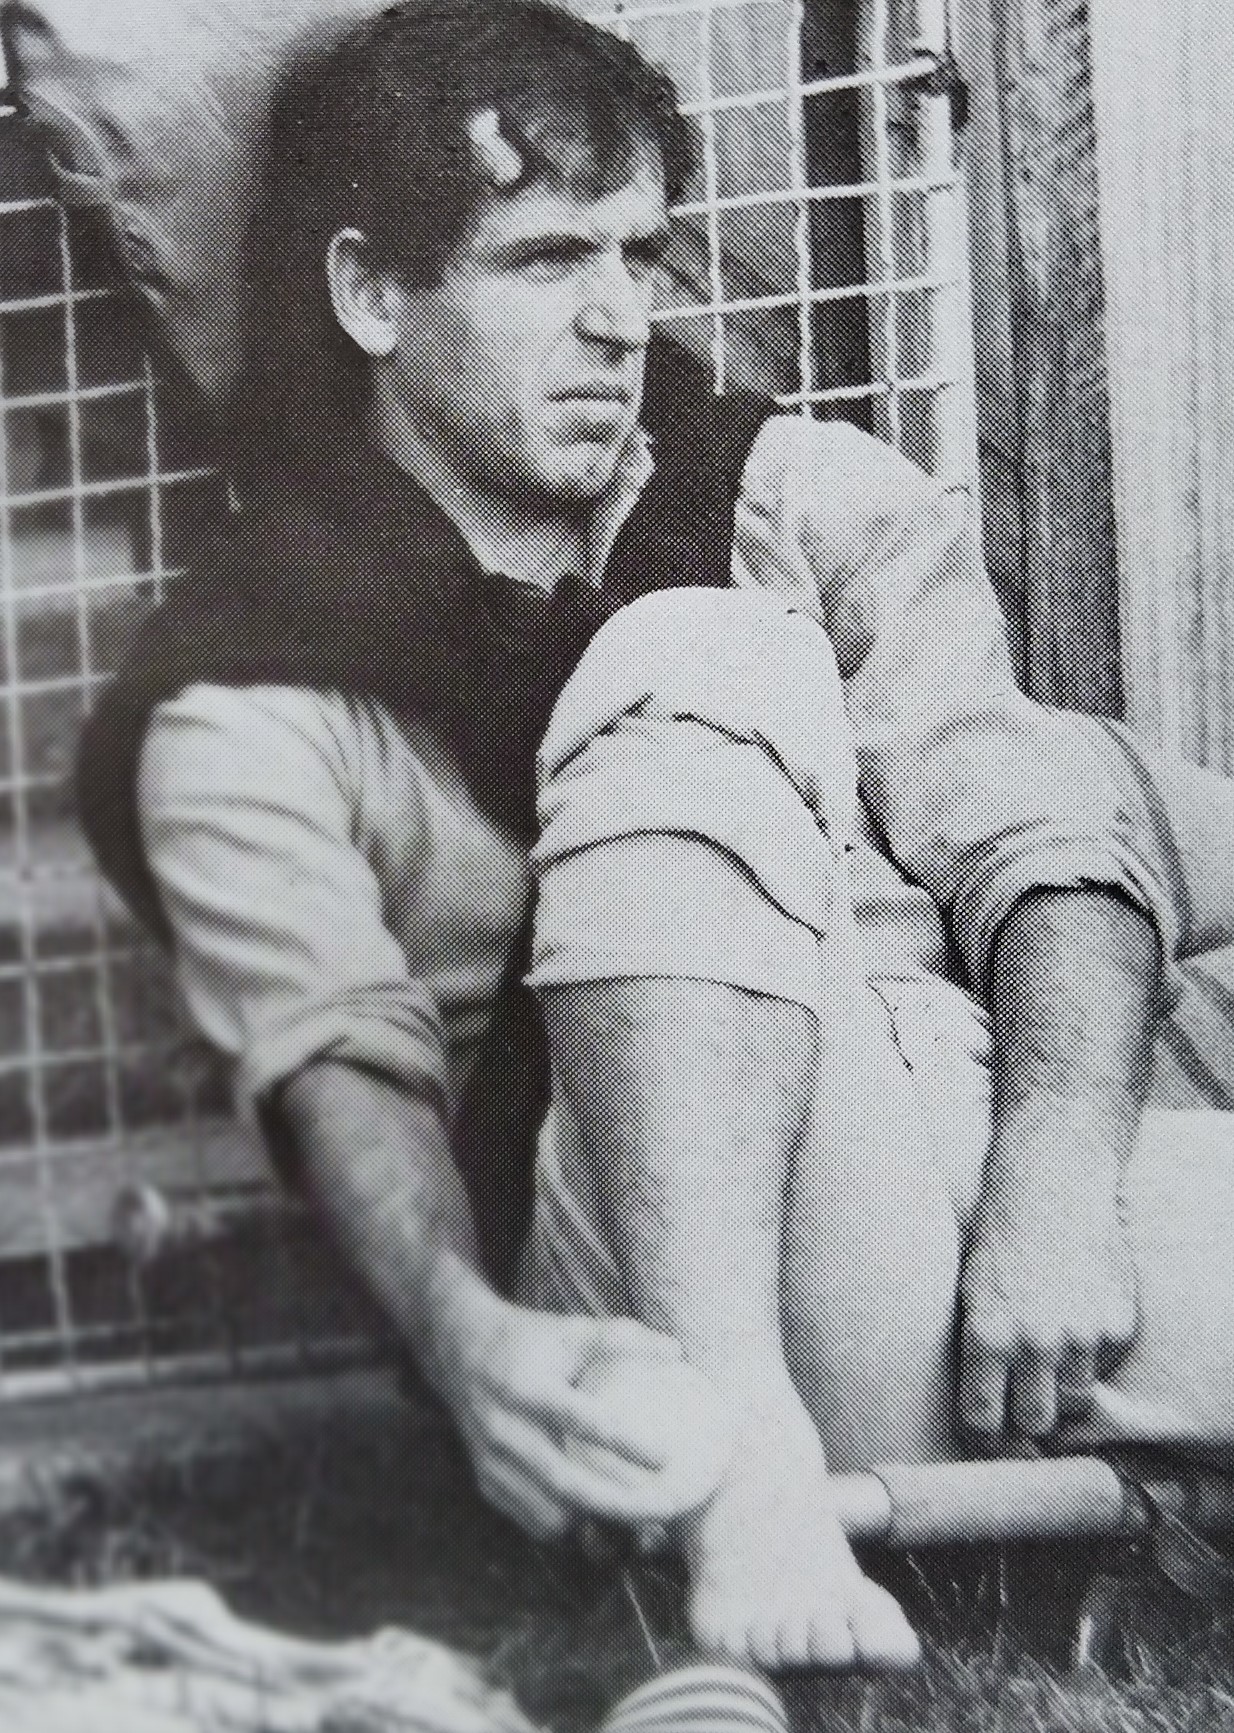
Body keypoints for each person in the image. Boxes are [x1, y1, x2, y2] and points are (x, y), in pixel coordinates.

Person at [77, 0, 1234, 1678]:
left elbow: (1039, 830)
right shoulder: (246, 688)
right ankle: (753, 1456)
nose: (619, 317)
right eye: (547, 258)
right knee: (694, 649)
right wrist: (467, 1347)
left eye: (640, 253)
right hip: (662, 1299)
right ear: (372, 295)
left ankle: (1027, 1487)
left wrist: (1055, 1184)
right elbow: (341, 1066)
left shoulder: (798, 494)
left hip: (1004, 1232)